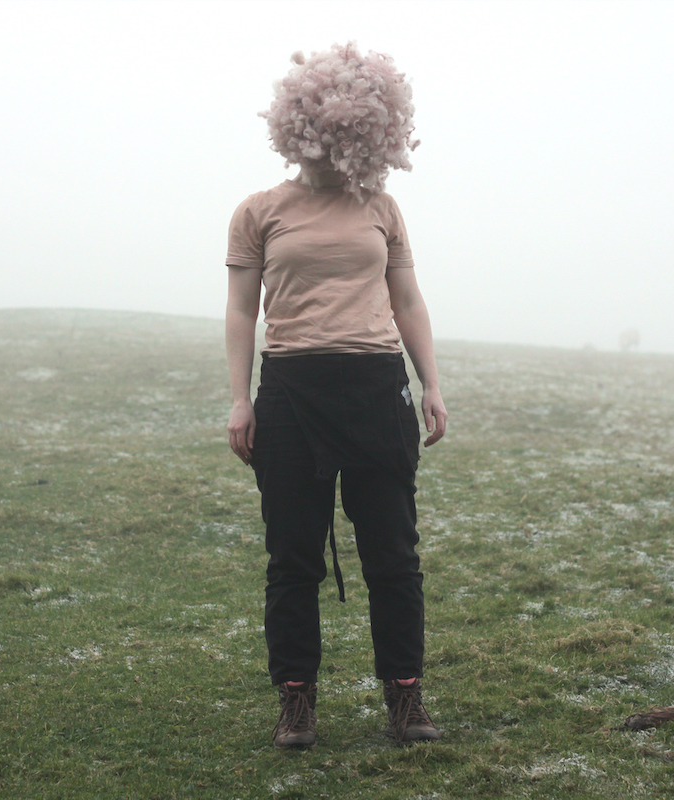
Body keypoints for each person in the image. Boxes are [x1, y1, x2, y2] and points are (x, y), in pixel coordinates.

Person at [225, 43, 448, 749]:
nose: (335, 139)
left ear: (372, 131)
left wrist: (431, 383)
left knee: (394, 554)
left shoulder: (382, 206)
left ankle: (405, 698)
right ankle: (296, 700)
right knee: (293, 557)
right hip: (291, 391)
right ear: (298, 124)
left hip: (377, 388)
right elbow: (239, 311)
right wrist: (240, 399)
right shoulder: (258, 210)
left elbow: (407, 299)